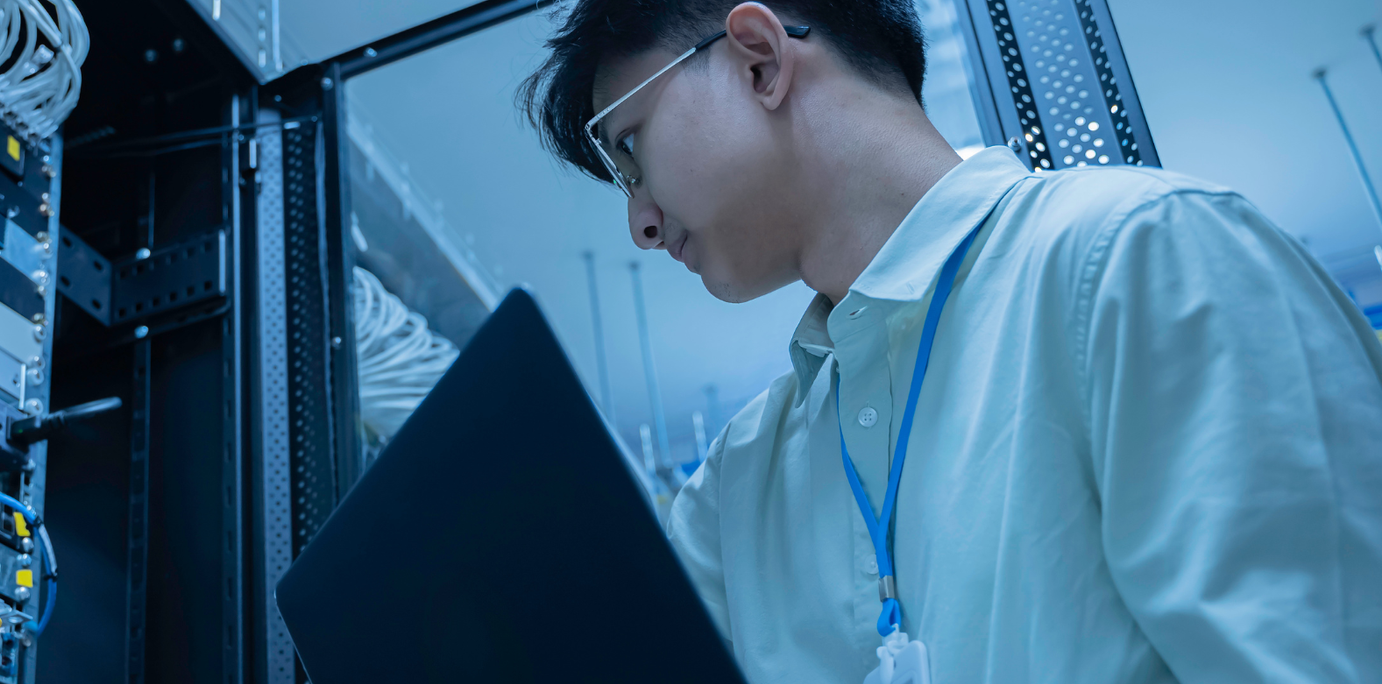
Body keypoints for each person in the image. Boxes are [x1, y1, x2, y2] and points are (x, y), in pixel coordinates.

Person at [518, 1, 1382, 682]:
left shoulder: (1141, 257)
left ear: (760, 60)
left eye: (631, 152)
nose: (640, 221)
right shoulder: (737, 486)